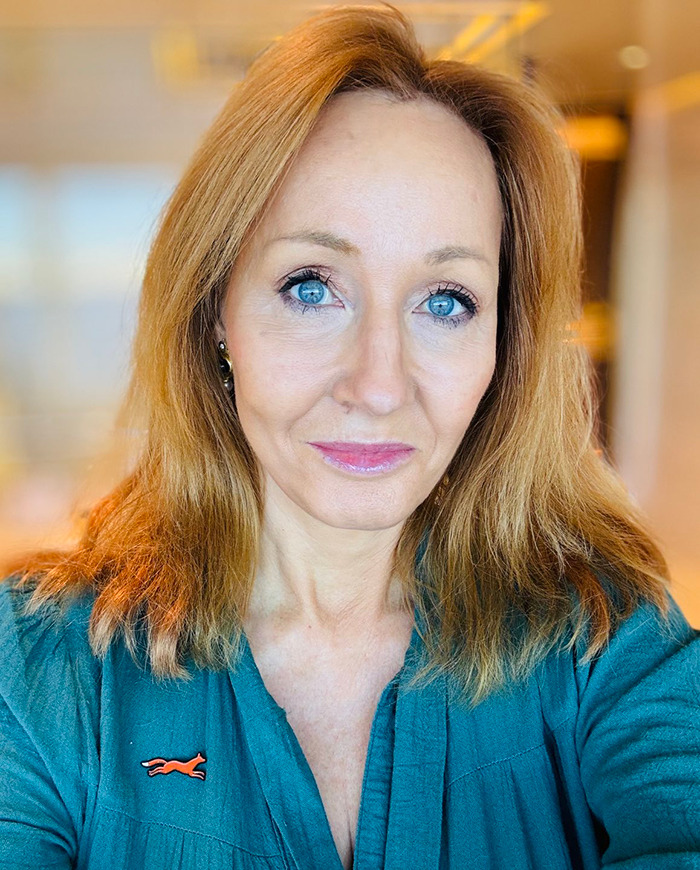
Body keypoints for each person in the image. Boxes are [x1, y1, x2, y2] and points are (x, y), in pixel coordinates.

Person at [1, 3, 698, 869]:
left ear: (502, 347)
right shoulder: (42, 680)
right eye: (310, 286)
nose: (378, 385)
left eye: (446, 301)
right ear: (216, 310)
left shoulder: (605, 642)